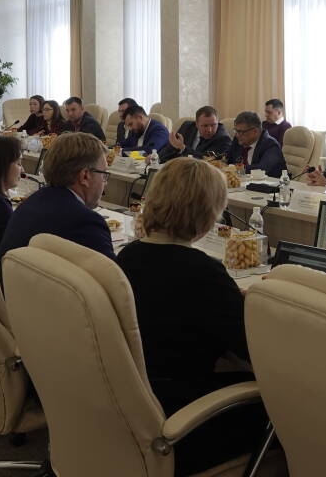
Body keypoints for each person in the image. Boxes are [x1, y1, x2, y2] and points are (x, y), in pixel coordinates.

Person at [116, 157, 267, 475]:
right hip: (176, 420)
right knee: (281, 403)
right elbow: (256, 350)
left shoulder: (128, 256)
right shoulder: (204, 273)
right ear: (207, 214)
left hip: (131, 406)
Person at [0, 133, 113, 267]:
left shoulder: (29, 203)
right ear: (85, 176)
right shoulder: (86, 222)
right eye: (104, 175)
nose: (105, 183)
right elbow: (116, 278)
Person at [224, 111, 286, 178]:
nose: (237, 135)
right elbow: (227, 159)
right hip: (242, 181)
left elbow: (262, 169)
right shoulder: (238, 140)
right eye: (236, 131)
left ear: (255, 131)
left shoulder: (270, 145)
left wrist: (234, 169)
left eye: (240, 132)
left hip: (268, 183)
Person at [159, 105, 231, 163]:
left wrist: (182, 148)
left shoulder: (223, 138)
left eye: (213, 125)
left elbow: (207, 160)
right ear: (196, 124)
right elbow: (170, 149)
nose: (209, 130)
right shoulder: (187, 127)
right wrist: (157, 157)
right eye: (205, 126)